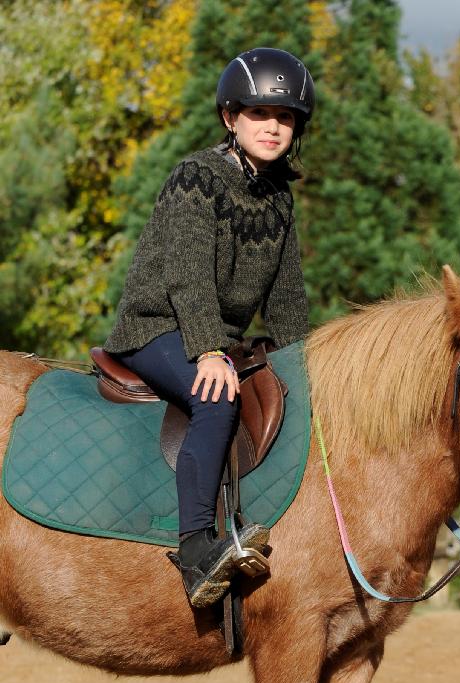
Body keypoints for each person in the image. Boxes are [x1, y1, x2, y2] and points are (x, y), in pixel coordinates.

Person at [104, 47, 314, 608]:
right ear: (230, 117)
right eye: (259, 114)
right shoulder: (195, 178)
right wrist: (209, 352)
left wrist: (309, 363)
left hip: (216, 337)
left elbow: (287, 294)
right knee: (215, 400)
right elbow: (187, 277)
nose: (273, 127)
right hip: (159, 326)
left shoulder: (279, 197)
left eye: (286, 117)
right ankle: (196, 551)